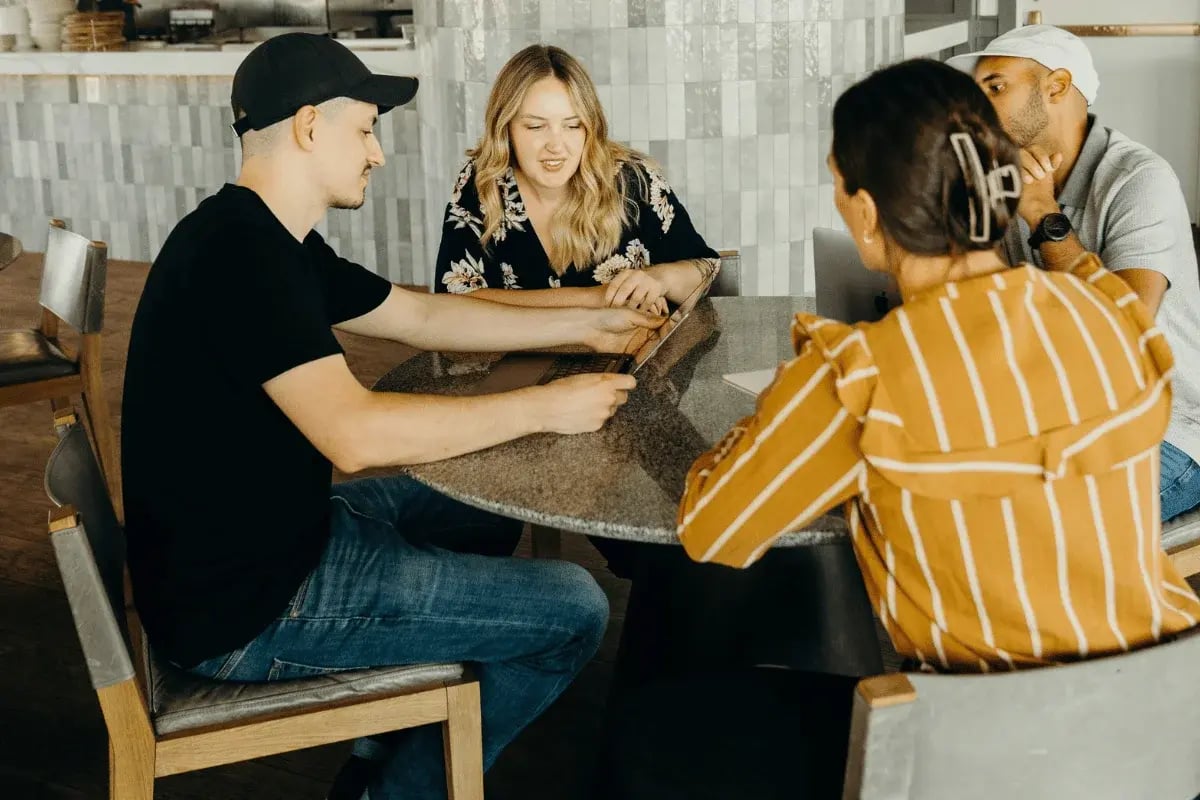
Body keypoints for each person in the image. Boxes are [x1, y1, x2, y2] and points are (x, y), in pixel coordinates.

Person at [601, 58, 1200, 799]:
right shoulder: (1110, 319)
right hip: (1164, 725)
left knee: (648, 728)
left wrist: (793, 395)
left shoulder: (860, 373)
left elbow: (713, 528)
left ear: (863, 211)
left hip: (982, 757)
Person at [120, 34, 662, 800]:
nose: (377, 153)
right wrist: (548, 405)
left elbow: (423, 317)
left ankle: (388, 734)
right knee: (576, 607)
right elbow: (357, 433)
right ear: (309, 127)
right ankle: (395, 791)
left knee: (476, 500)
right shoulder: (244, 261)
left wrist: (583, 327)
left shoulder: (261, 237)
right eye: (366, 129)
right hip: (253, 606)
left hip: (269, 536)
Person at [947, 24, 1200, 522]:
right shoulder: (997, 182)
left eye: (994, 87)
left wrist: (1042, 214)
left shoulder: (1139, 179)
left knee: (1033, 525)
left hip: (1164, 430)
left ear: (1057, 87)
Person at [433, 44, 720, 315]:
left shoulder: (634, 181)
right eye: (535, 126)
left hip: (631, 361)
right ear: (505, 128)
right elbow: (454, 301)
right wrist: (597, 298)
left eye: (573, 125)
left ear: (590, 128)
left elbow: (706, 269)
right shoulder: (483, 181)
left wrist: (659, 278)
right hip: (523, 363)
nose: (556, 146)